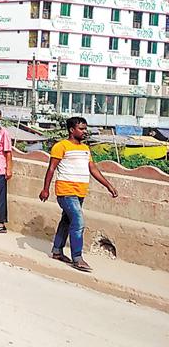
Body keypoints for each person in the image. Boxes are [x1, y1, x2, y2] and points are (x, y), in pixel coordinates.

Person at [40, 116, 119, 273]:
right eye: (81, 129)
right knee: (78, 221)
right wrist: (45, 189)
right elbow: (51, 168)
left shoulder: (85, 149)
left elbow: (93, 168)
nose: (84, 131)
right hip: (65, 190)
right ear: (71, 130)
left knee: (67, 221)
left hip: (80, 191)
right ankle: (77, 258)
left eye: (85, 128)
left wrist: (108, 185)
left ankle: (57, 250)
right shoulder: (61, 146)